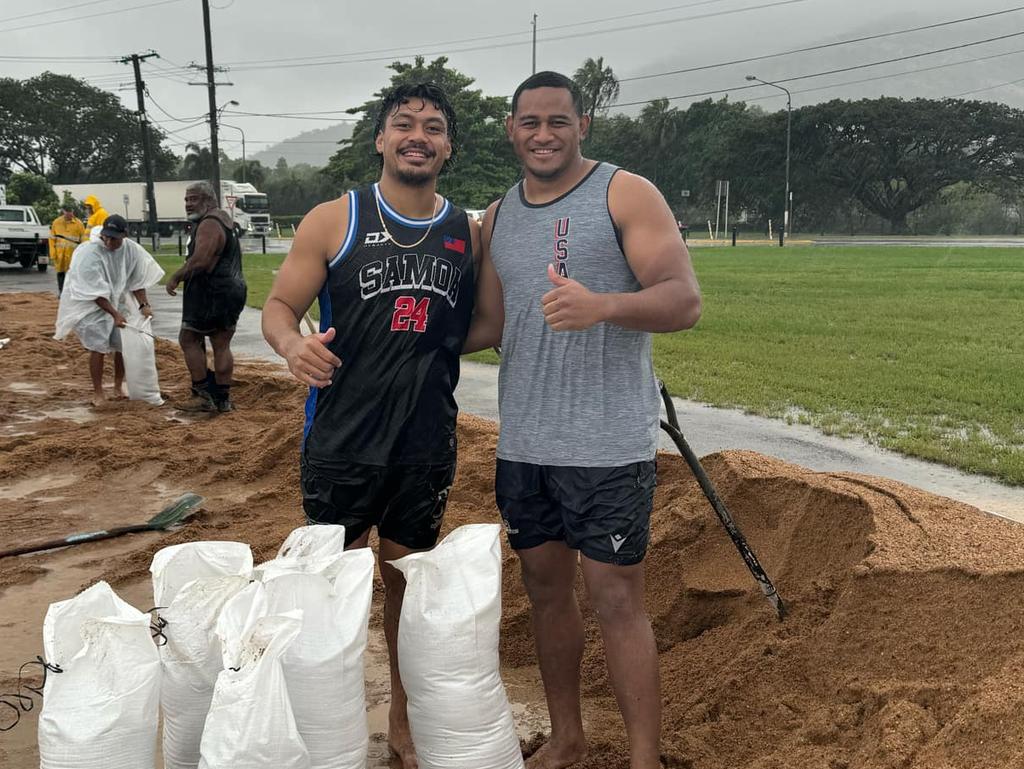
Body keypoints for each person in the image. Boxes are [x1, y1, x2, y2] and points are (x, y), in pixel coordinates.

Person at [464, 71, 702, 769]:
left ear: (583, 125)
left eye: (557, 121)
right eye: (530, 122)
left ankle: (643, 757)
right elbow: (488, 322)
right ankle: (568, 738)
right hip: (526, 446)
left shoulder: (624, 192)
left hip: (608, 445)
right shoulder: (500, 216)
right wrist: (391, 341)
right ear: (510, 129)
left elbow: (684, 301)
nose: (543, 134)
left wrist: (604, 305)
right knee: (545, 594)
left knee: (616, 597)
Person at [262, 82, 478, 769]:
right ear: (381, 139)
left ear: (448, 147)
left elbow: (485, 324)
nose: (419, 135)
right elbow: (277, 307)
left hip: (423, 443)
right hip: (342, 444)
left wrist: (426, 348)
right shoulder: (335, 218)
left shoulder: (466, 232)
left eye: (434, 127)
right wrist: (294, 345)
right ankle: (334, 726)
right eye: (405, 124)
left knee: (407, 590)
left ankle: (404, 724)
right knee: (336, 591)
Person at [54, 214, 164, 406]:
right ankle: (98, 392)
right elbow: (93, 290)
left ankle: (117, 385)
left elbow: (136, 281)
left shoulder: (131, 251)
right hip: (91, 305)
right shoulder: (89, 253)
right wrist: (114, 314)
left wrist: (144, 305)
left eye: (114, 238)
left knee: (122, 345)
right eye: (106, 236)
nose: (109, 241)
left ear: (124, 235)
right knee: (98, 347)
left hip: (117, 300)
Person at [165, 181, 247, 413]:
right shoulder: (226, 222)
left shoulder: (210, 223)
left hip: (212, 291)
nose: (189, 204)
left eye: (194, 199)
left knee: (189, 338)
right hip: (232, 289)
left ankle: (201, 395)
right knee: (221, 343)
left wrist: (176, 277)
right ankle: (222, 399)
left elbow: (202, 260)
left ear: (209, 200)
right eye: (186, 200)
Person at [49, 204, 86, 295]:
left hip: (73, 254)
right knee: (60, 273)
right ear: (63, 211)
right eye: (67, 212)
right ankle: (61, 292)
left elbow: (83, 239)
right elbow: (51, 238)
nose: (69, 214)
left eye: (71, 212)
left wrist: (83, 254)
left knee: (73, 274)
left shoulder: (79, 224)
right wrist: (53, 253)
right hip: (60, 254)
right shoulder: (56, 223)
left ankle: (73, 292)